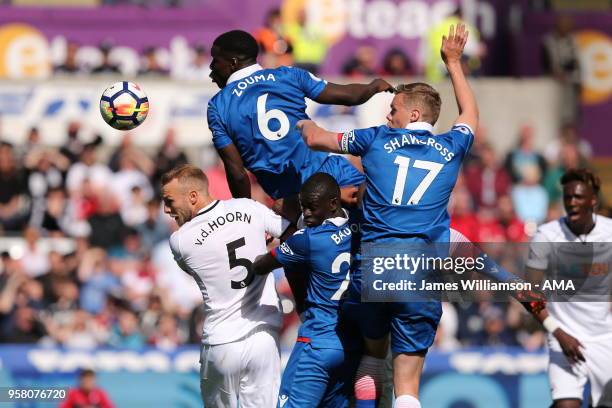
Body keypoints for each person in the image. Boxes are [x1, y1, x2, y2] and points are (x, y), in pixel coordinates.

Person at [299, 24, 478, 407]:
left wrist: (299, 118)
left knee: (372, 355)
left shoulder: (375, 138)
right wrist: (453, 63)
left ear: (414, 112)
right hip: (420, 272)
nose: (388, 114)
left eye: (394, 109)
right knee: (408, 382)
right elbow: (469, 113)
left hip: (375, 270)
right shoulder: (452, 146)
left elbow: (316, 139)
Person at [207, 29, 393, 221]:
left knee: (325, 249)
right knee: (380, 226)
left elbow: (237, 173)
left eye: (215, 60)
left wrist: (245, 217)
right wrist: (373, 87)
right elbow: (347, 96)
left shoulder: (218, 106)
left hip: (296, 201)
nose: (211, 68)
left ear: (233, 63)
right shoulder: (289, 75)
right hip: (332, 172)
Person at [162, 164, 293, 408]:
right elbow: (292, 233)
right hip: (264, 336)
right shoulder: (248, 207)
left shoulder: (180, 241)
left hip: (222, 342)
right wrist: (262, 243)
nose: (167, 209)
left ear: (193, 196)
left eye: (170, 201)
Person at [253, 173, 360, 407]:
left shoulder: (308, 239)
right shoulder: (360, 229)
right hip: (349, 346)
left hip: (316, 343)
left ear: (333, 203)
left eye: (312, 208)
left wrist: (276, 238)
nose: (307, 214)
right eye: (303, 208)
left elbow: (261, 266)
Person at [526, 168, 612, 408]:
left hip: (604, 339)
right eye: (567, 198)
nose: (572, 203)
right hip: (563, 336)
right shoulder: (546, 236)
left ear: (592, 200)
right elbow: (527, 293)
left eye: (578, 197)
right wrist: (558, 332)